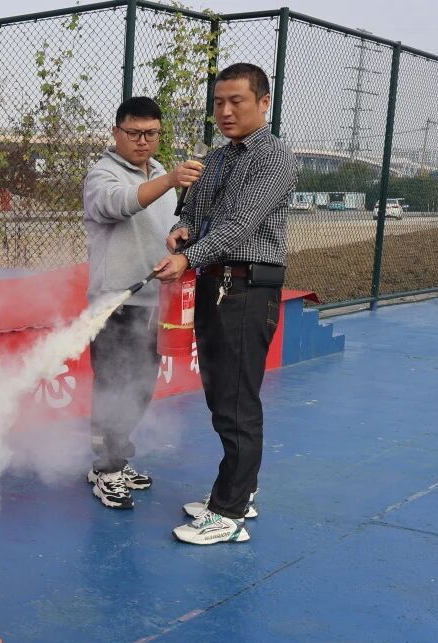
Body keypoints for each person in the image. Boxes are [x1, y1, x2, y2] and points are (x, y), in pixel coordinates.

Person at [153, 63, 299, 544]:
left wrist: (187, 258)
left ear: (264, 103)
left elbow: (238, 225)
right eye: (218, 102)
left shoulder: (274, 157)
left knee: (236, 399)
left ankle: (229, 513)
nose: (225, 111)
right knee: (222, 394)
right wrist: (182, 230)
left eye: (237, 101)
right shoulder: (216, 158)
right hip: (215, 285)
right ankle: (239, 491)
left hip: (247, 289)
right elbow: (195, 213)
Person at [82, 96, 202, 510]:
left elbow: (168, 225)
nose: (142, 141)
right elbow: (118, 204)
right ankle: (105, 468)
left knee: (140, 386)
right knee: (113, 384)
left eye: (151, 133)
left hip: (155, 301)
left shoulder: (161, 175)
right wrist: (169, 181)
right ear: (116, 132)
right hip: (115, 301)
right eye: (133, 133)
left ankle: (119, 458)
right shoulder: (103, 174)